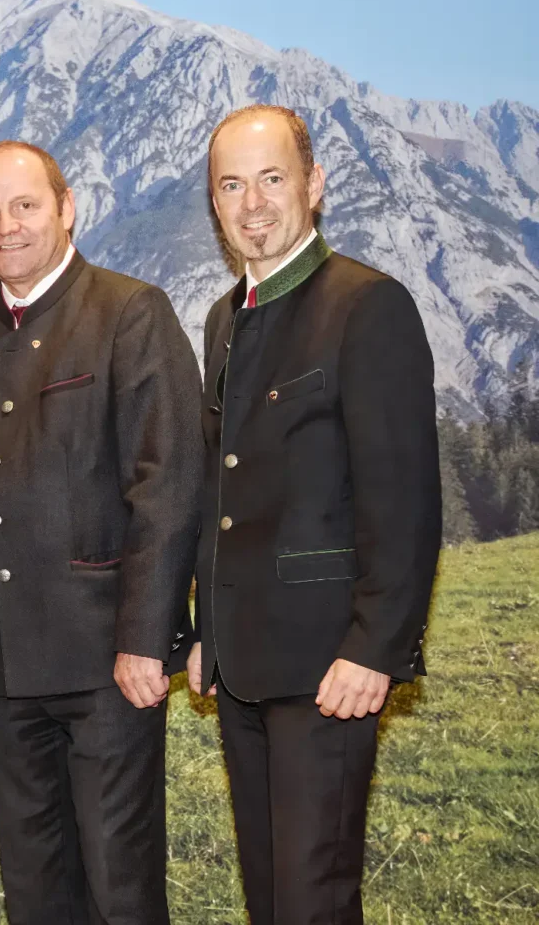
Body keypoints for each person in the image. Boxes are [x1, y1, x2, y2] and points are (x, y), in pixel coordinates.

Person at [0, 140, 203, 925]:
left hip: (109, 662)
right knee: (34, 888)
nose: (6, 226)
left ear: (66, 207)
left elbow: (169, 482)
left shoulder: (130, 310)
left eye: (24, 205)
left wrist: (148, 637)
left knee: (120, 888)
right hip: (4, 664)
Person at [188, 105, 440, 924]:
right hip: (242, 668)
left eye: (272, 179)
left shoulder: (368, 305)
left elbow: (401, 500)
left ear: (314, 186)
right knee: (268, 898)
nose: (252, 203)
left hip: (330, 670)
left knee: (313, 902)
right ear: (214, 203)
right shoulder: (224, 319)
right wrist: (204, 634)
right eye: (232, 185)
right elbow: (220, 492)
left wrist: (375, 647)